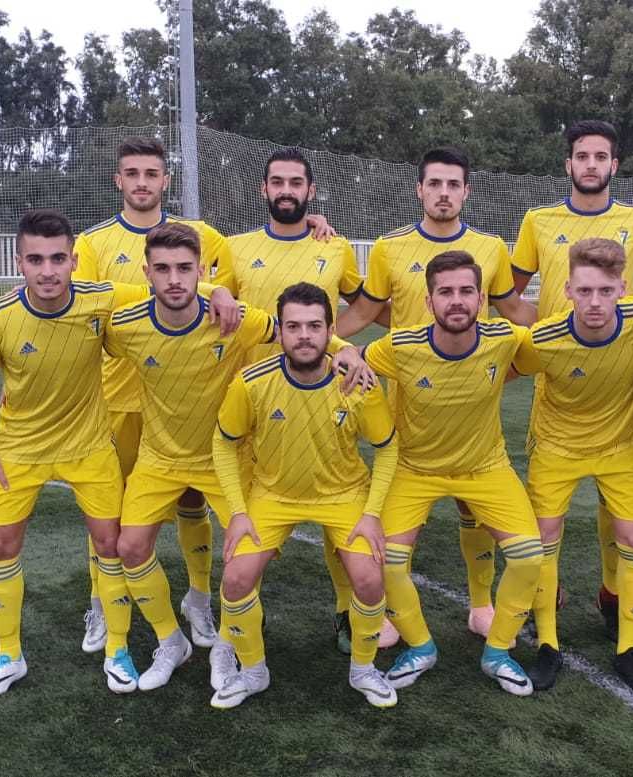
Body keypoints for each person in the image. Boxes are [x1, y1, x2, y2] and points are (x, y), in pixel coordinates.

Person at [97, 222, 370, 694]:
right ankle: (170, 640)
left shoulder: (234, 318)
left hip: (227, 457)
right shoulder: (125, 326)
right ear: (147, 273)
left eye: (186, 268)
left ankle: (227, 644)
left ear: (201, 270)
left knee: (242, 561)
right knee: (130, 548)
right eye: (162, 269)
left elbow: (298, 332)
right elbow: (81, 341)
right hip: (159, 458)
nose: (175, 279)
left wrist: (348, 353)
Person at [69, 137, 281, 656]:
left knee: (193, 503)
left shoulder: (205, 237)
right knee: (109, 513)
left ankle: (199, 600)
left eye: (152, 173)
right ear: (118, 181)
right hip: (117, 400)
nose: (142, 182)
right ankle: (101, 603)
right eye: (132, 173)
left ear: (166, 180)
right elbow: (78, 315)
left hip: (191, 397)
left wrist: (225, 291)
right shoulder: (94, 243)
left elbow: (224, 297)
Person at [335, 145, 537, 639]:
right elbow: (364, 314)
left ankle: (481, 604)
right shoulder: (388, 248)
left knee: (474, 504)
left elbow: (516, 311)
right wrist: (321, 344)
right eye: (435, 184)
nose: (443, 193)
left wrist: (575, 332)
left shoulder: (491, 249)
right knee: (399, 517)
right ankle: (385, 610)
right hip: (409, 402)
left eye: (453, 185)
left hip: (472, 403)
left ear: (466, 191)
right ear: (419, 189)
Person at [0, 209, 152, 699]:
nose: (47, 270)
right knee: (1, 547)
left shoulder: (100, 299)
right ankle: (9, 654)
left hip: (89, 446)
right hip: (17, 450)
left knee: (110, 545)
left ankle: (117, 648)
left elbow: (166, 292)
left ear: (73, 260)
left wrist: (216, 292)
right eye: (35, 259)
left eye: (56, 258)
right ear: (19, 263)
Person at [510, 119, 633, 640]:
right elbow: (507, 292)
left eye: (600, 157)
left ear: (613, 165)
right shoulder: (538, 221)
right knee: (547, 515)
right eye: (582, 156)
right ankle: (545, 605)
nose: (590, 165)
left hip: (619, 385)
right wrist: (542, 331)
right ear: (569, 164)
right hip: (559, 383)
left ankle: (613, 595)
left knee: (617, 506)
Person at [221, 148, 388, 652]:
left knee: (336, 504)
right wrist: (217, 293)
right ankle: (249, 623)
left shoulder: (333, 248)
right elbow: (210, 296)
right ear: (263, 190)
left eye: (296, 183)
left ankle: (346, 611)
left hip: (322, 395)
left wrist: (349, 347)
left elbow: (366, 302)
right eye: (277, 182)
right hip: (252, 399)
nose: (287, 190)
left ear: (310, 192)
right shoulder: (234, 247)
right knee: (248, 521)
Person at [362, 250, 545, 698]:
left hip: (485, 467)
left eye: (467, 291)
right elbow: (351, 357)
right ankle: (421, 645)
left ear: (482, 299)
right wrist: (344, 359)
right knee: (385, 561)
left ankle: (498, 651)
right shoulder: (400, 346)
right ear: (429, 302)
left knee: (528, 558)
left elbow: (558, 340)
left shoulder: (504, 338)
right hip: (414, 468)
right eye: (446, 292)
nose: (457, 301)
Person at [209, 282, 399, 709]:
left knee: (369, 579)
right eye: (293, 326)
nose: (304, 335)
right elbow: (224, 442)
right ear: (280, 334)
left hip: (344, 493)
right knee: (236, 578)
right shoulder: (252, 382)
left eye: (315, 326)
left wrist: (371, 515)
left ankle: (364, 669)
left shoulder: (358, 382)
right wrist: (238, 512)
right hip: (273, 494)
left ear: (331, 330)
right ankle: (253, 670)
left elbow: (387, 447)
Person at [504, 237, 633, 695]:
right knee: (544, 538)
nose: (594, 302)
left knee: (632, 538)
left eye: (604, 291)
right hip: (557, 446)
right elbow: (495, 368)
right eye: (584, 291)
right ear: (566, 290)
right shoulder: (543, 338)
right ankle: (547, 643)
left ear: (622, 289)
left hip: (621, 446)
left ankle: (629, 647)